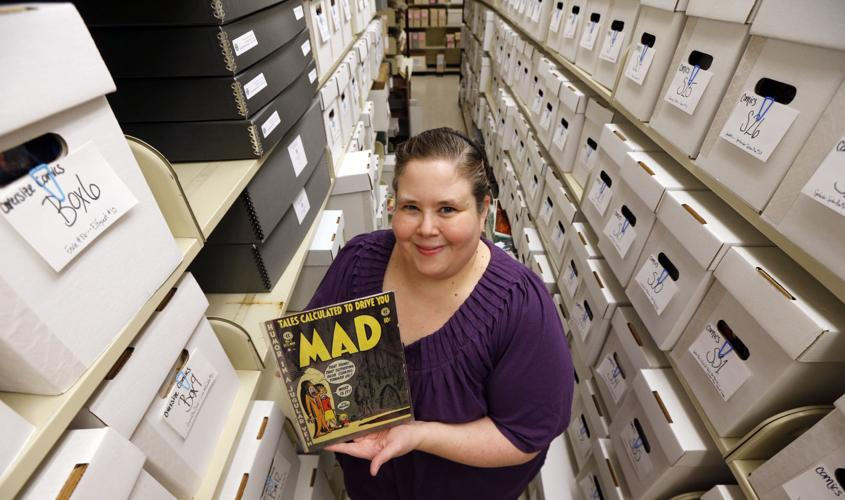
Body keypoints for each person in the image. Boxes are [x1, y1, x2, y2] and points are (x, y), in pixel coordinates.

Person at [306, 127, 574, 500]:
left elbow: (524, 436)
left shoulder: (520, 308)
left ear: (484, 210)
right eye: (411, 207)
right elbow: (318, 360)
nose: (426, 229)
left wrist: (419, 435)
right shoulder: (358, 263)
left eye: (447, 209)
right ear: (393, 205)